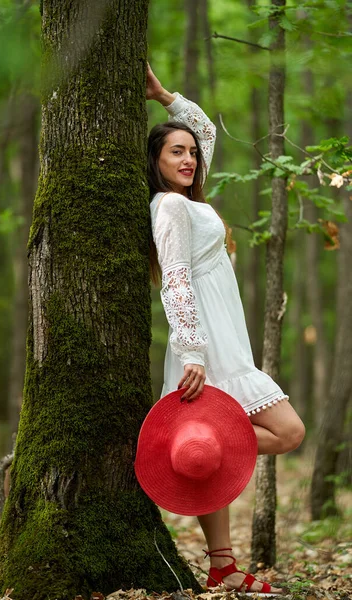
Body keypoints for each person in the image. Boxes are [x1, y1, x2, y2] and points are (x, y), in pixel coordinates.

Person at [146, 64, 305, 596]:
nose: (189, 158)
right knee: (278, 433)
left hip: (225, 343)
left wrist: (165, 97)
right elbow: (175, 281)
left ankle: (222, 567)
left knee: (224, 448)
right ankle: (225, 563)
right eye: (176, 152)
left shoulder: (189, 199)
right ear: (156, 162)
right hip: (204, 347)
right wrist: (192, 350)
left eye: (190, 153)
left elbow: (206, 132)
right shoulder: (170, 206)